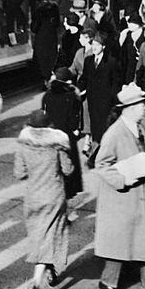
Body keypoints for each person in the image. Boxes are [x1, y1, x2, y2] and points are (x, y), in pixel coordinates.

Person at [93, 84, 145, 289]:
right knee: (121, 241)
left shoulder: (136, 128)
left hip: (140, 194)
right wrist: (122, 180)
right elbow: (101, 165)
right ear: (129, 108)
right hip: (124, 196)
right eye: (141, 105)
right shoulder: (115, 133)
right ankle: (108, 281)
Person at [13, 109, 74, 289]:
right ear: (49, 126)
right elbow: (68, 170)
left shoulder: (23, 146)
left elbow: (19, 173)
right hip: (53, 195)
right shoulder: (56, 146)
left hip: (33, 197)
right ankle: (37, 283)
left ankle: (49, 272)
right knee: (49, 238)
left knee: (40, 236)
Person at [41, 66, 84, 204]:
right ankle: (69, 193)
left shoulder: (47, 95)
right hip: (66, 136)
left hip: (51, 135)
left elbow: (44, 114)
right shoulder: (71, 96)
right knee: (68, 166)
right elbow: (74, 119)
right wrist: (75, 129)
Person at [31, 0, 61, 90]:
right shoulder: (55, 7)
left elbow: (34, 27)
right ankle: (51, 79)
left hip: (41, 38)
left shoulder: (38, 10)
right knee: (51, 58)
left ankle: (45, 82)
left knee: (42, 60)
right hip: (52, 37)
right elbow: (57, 24)